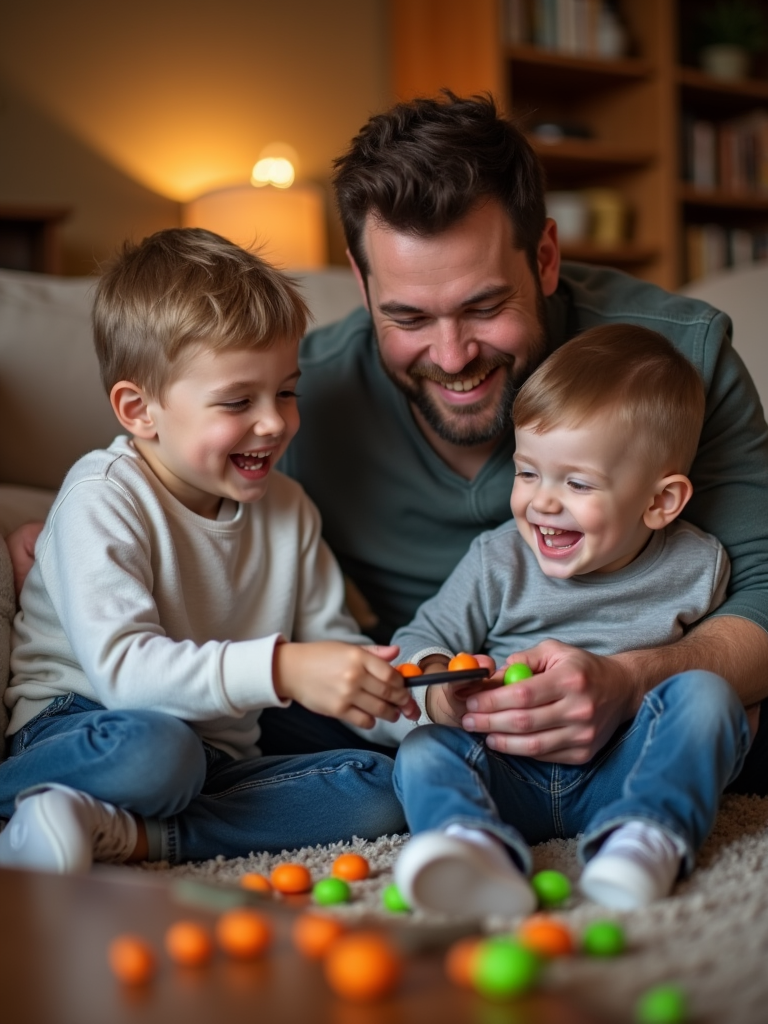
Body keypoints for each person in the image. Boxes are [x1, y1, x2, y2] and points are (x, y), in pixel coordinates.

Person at [263, 91, 768, 793]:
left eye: (484, 307)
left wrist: (630, 681)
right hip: (435, 727)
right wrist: (69, 525)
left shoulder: (681, 358)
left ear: (547, 257)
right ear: (362, 280)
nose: (450, 355)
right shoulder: (298, 396)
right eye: (407, 316)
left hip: (649, 715)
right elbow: (164, 472)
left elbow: (763, 591)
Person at [0, 227, 419, 875]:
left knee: (383, 785)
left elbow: (333, 649)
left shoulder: (288, 508)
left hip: (218, 753)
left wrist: (414, 701)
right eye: (237, 401)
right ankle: (26, 793)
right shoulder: (102, 496)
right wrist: (282, 670)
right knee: (157, 754)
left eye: (286, 391)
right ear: (140, 410)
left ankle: (130, 836)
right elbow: (126, 674)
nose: (274, 422)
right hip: (91, 726)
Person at [390, 324, 751, 917]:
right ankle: (469, 844)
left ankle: (645, 835)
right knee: (425, 751)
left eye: (577, 483)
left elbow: (700, 708)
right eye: (527, 472)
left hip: (625, 770)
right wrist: (443, 690)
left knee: (711, 694)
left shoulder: (699, 565)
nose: (542, 502)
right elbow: (419, 641)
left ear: (660, 502)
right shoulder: (498, 558)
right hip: (505, 768)